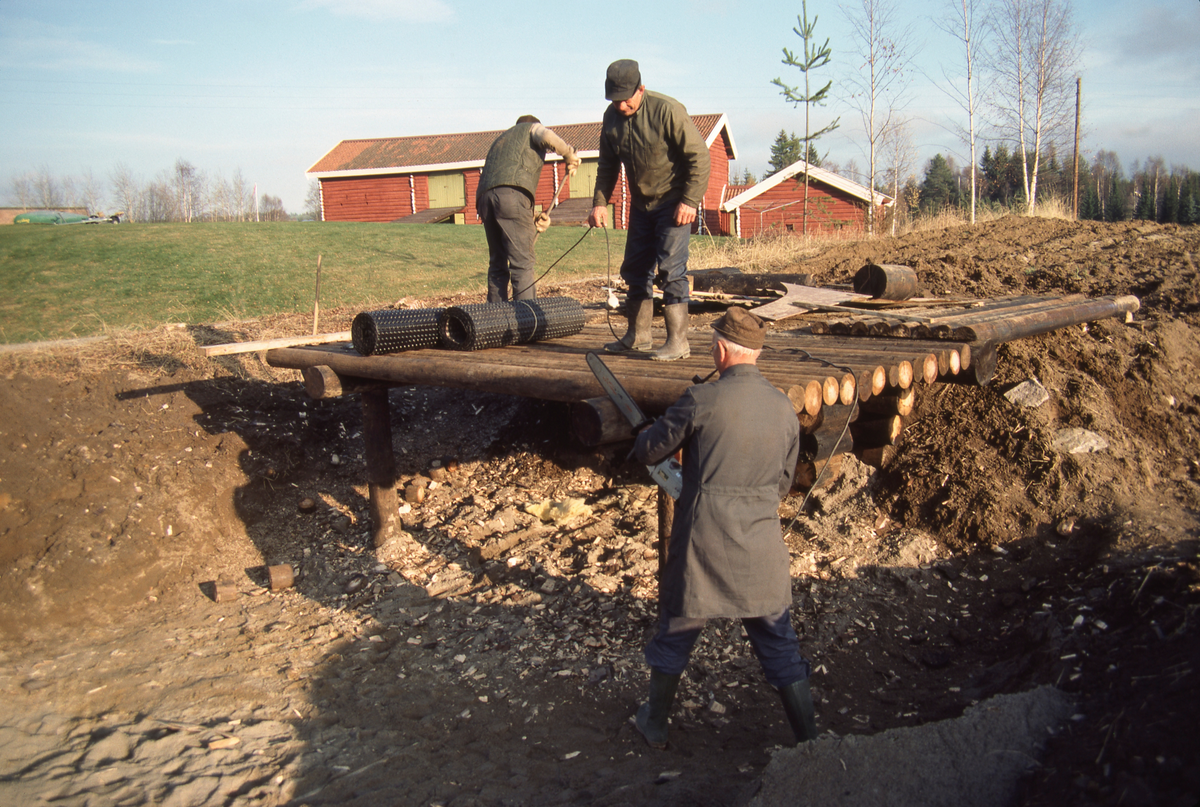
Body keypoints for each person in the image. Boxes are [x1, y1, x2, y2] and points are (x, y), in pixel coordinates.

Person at [631, 307, 818, 748]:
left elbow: (648, 450)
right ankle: (810, 740)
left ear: (720, 349)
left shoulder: (702, 400)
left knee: (676, 630)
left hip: (702, 543)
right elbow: (783, 484)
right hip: (760, 543)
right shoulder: (783, 408)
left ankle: (655, 724)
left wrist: (646, 432)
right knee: (779, 642)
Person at [588, 59, 711, 361]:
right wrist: (599, 203)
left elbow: (700, 157)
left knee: (671, 270)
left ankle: (678, 342)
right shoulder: (611, 118)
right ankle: (639, 336)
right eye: (615, 100)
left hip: (674, 202)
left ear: (641, 89)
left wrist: (690, 200)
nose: (621, 105)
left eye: (626, 98)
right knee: (635, 269)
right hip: (642, 205)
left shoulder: (667, 110)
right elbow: (607, 166)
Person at [478, 116, 581, 302]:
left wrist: (533, 219)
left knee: (497, 265)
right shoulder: (532, 129)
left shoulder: (501, 140)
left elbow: (501, 193)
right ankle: (526, 323)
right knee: (522, 264)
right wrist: (568, 153)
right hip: (511, 196)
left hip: (484, 199)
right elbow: (545, 135)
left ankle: (493, 322)